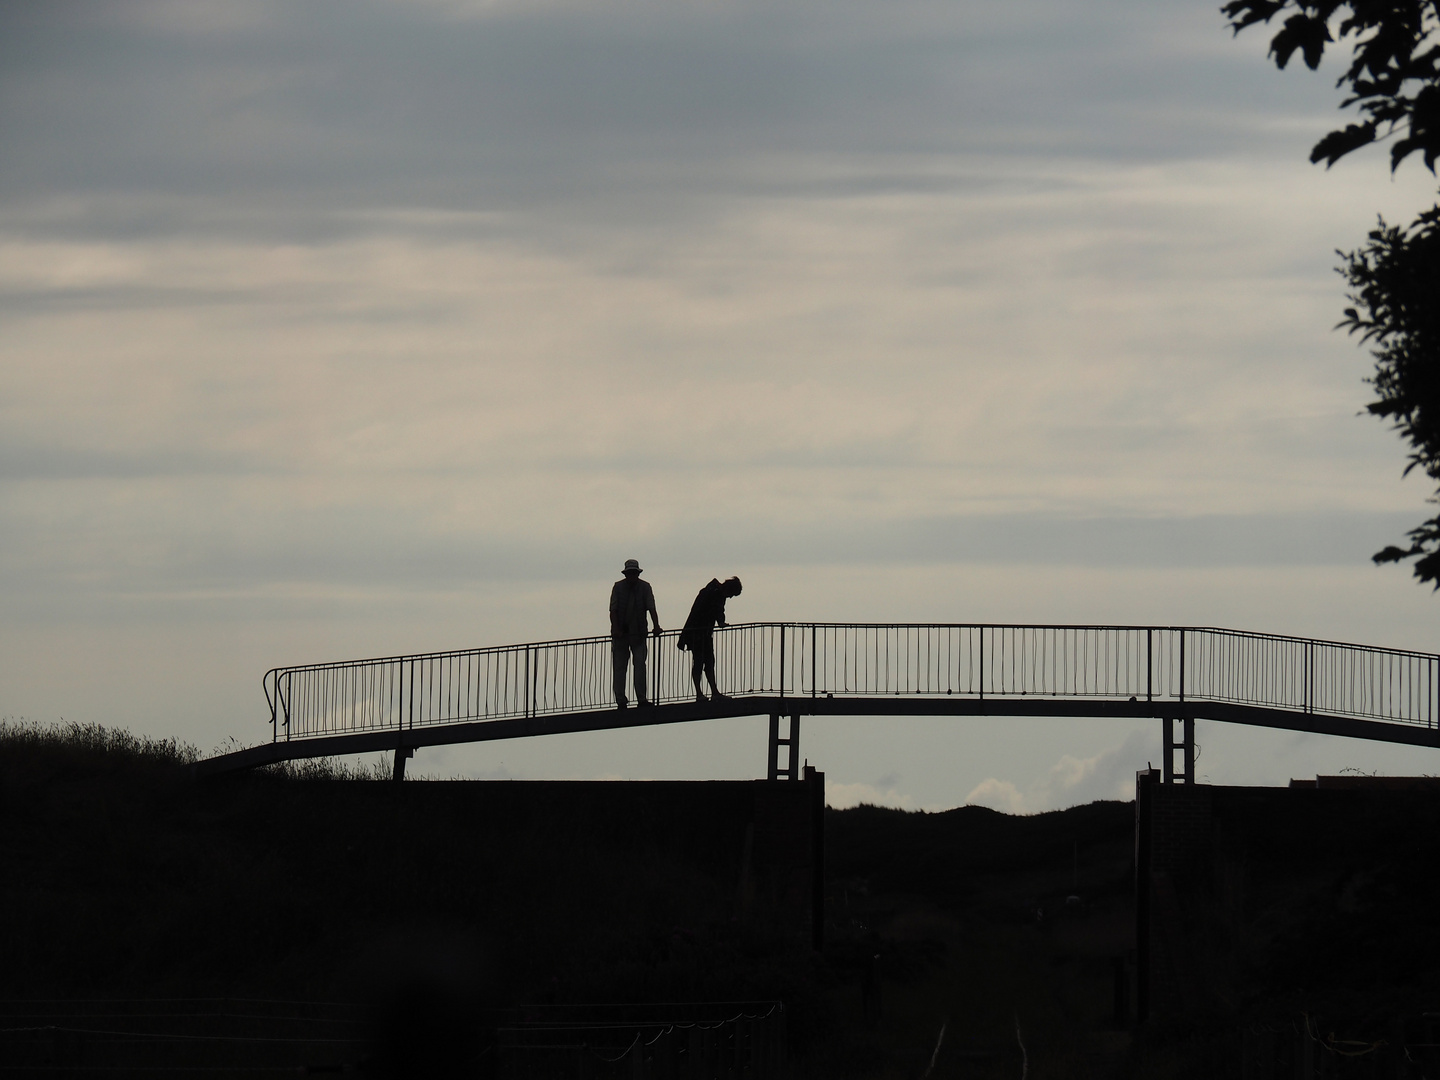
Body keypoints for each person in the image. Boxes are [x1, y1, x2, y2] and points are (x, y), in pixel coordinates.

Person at [677, 576, 742, 703]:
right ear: (728, 589)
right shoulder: (711, 593)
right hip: (697, 634)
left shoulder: (716, 593)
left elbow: (718, 611)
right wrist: (721, 622)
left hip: (704, 634)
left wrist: (721, 621)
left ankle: (713, 692)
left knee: (709, 662)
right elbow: (700, 612)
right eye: (732, 594)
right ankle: (700, 693)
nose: (730, 597)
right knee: (699, 663)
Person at [609, 559, 661, 709]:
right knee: (620, 667)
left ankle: (641, 699)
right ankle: (621, 699)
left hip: (638, 634)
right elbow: (613, 611)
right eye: (630, 573)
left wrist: (656, 625)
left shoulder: (645, 587)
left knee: (639, 666)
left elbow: (651, 608)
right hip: (622, 635)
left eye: (634, 573)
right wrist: (616, 629)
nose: (632, 576)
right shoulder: (618, 587)